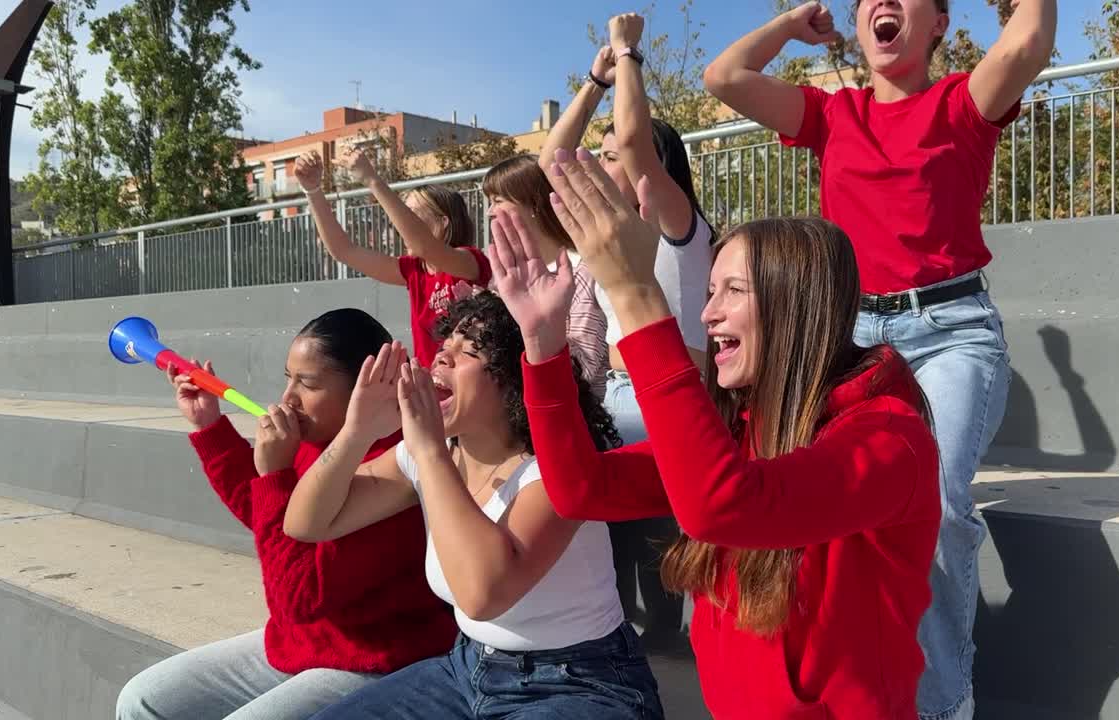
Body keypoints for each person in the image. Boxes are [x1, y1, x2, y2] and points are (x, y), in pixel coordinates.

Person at [703, 1, 1056, 716]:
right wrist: (789, 26)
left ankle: (943, 703)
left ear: (938, 25)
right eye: (867, 0)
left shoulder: (959, 104)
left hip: (953, 331)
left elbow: (1026, 43)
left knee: (945, 505)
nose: (881, 5)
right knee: (817, 496)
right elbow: (724, 76)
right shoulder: (834, 117)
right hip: (855, 335)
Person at [498, 149, 940, 718]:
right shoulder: (741, 433)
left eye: (733, 290)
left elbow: (722, 506)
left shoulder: (887, 440)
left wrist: (636, 296)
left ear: (795, 305)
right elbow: (581, 488)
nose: (708, 314)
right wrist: (542, 342)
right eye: (709, 292)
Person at [284, 287, 663, 720]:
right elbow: (306, 522)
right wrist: (357, 430)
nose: (441, 359)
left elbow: (483, 595)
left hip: (581, 682)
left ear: (511, 380)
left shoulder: (553, 472)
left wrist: (428, 451)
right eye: (444, 347)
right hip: (467, 668)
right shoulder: (431, 452)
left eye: (468, 352)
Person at [116, 309, 457, 720]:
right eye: (288, 378)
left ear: (363, 388)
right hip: (301, 642)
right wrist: (211, 426)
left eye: (307, 383)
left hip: (374, 656)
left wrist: (275, 473)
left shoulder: (396, 459)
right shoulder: (317, 436)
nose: (288, 397)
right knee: (143, 699)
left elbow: (298, 594)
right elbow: (270, 523)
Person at [539, 13, 714, 647]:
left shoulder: (679, 228)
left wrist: (627, 52)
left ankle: (661, 644)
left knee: (654, 553)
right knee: (609, 538)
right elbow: (553, 159)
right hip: (616, 398)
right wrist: (593, 80)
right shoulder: (602, 237)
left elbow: (637, 146)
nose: (596, 162)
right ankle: (624, 645)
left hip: (668, 399)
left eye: (609, 156)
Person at [296, 149, 490, 367]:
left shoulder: (469, 261)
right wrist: (312, 189)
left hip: (470, 391)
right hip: (432, 388)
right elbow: (344, 251)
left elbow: (423, 244)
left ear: (444, 222)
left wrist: (371, 179)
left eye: (411, 214)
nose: (400, 224)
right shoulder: (415, 270)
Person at [484, 154, 610, 398]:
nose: (490, 212)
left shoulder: (582, 271)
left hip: (572, 415)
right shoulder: (506, 275)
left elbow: (584, 368)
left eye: (497, 200)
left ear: (532, 204)